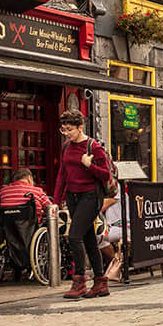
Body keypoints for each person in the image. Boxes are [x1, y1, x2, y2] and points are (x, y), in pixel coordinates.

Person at [53, 112, 111, 300]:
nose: (67, 133)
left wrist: (89, 165)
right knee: (88, 240)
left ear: (80, 127)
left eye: (70, 130)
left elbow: (105, 175)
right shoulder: (65, 147)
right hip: (72, 196)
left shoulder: (93, 147)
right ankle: (101, 282)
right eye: (64, 130)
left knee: (74, 236)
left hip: (90, 196)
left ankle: (79, 281)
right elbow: (62, 174)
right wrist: (55, 201)